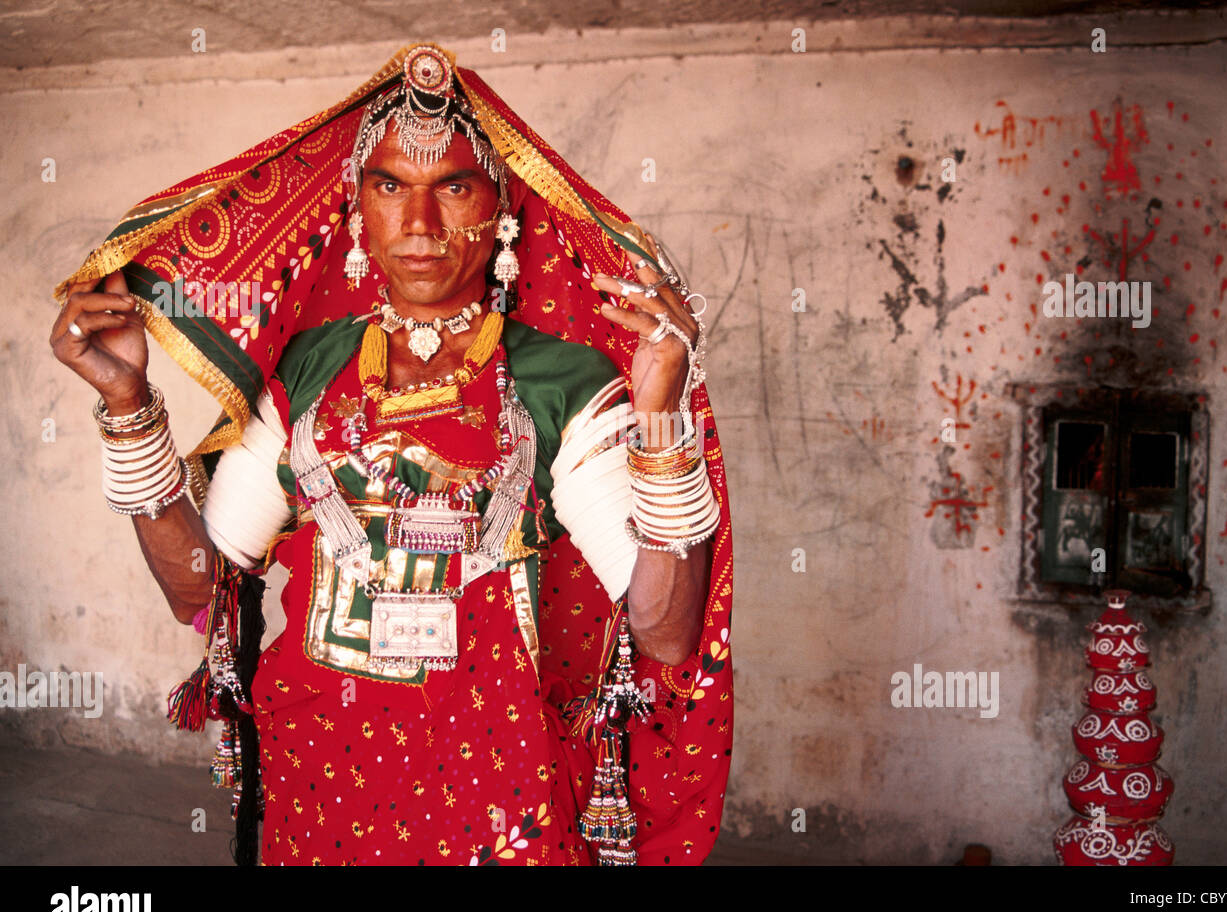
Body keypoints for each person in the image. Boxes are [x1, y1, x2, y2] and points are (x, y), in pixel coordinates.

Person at [50, 42, 734, 866]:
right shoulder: (310, 368)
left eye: (452, 186)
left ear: (502, 205)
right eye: (388, 186)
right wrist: (128, 405)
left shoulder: (560, 381)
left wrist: (660, 411)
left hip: (496, 801)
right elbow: (201, 587)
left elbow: (663, 632)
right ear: (356, 206)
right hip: (317, 787)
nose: (418, 225)